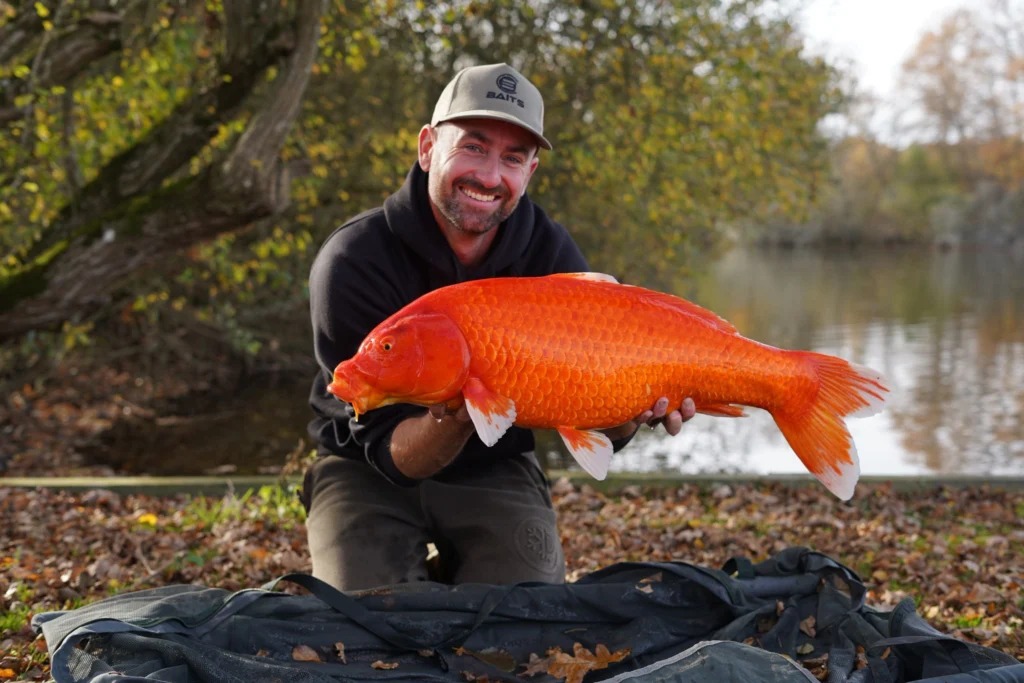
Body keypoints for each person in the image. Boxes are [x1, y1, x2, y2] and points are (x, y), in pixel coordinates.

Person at [300, 63, 696, 593]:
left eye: (512, 158)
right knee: (368, 624)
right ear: (427, 147)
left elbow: (600, 427)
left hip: (495, 464)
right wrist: (463, 410)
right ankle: (408, 578)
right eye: (473, 147)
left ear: (529, 172)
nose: (489, 176)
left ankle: (455, 575)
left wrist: (628, 414)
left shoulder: (550, 254)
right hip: (364, 470)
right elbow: (388, 453)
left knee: (524, 615)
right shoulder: (353, 260)